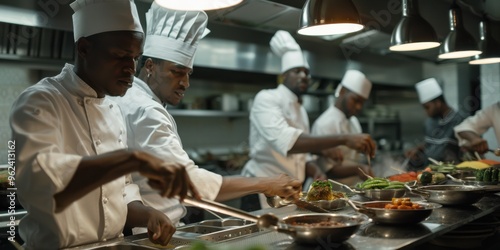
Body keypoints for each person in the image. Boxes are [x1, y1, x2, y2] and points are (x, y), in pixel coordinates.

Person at [9, 0, 199, 248]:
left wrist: (148, 213)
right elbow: (41, 181)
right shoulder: (41, 102)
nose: (130, 68)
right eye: (120, 56)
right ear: (85, 48)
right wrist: (129, 160)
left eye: (135, 58)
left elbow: (123, 190)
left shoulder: (112, 109)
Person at [111, 3, 302, 229]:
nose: (185, 83)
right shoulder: (145, 110)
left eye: (188, 74)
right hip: (152, 232)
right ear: (150, 66)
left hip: (161, 226)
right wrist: (266, 183)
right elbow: (191, 181)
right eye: (177, 72)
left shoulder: (134, 99)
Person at [241, 30, 376, 209]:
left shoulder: (301, 110)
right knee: (260, 237)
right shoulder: (266, 98)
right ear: (284, 75)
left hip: (290, 191)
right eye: (297, 71)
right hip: (262, 191)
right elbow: (288, 142)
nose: (304, 76)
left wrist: (315, 170)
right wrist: (344, 139)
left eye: (307, 72)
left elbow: (302, 156)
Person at [309, 70, 374, 186]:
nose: (359, 107)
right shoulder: (324, 123)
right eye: (355, 100)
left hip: (351, 188)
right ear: (342, 92)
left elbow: (354, 156)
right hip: (331, 192)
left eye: (362, 103)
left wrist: (365, 148)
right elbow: (328, 170)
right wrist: (358, 169)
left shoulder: (354, 121)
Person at [405, 78, 467, 170]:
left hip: (452, 174)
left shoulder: (460, 121)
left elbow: (467, 153)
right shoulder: (430, 121)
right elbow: (431, 144)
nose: (425, 112)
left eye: (427, 107)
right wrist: (418, 149)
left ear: (438, 103)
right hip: (429, 171)